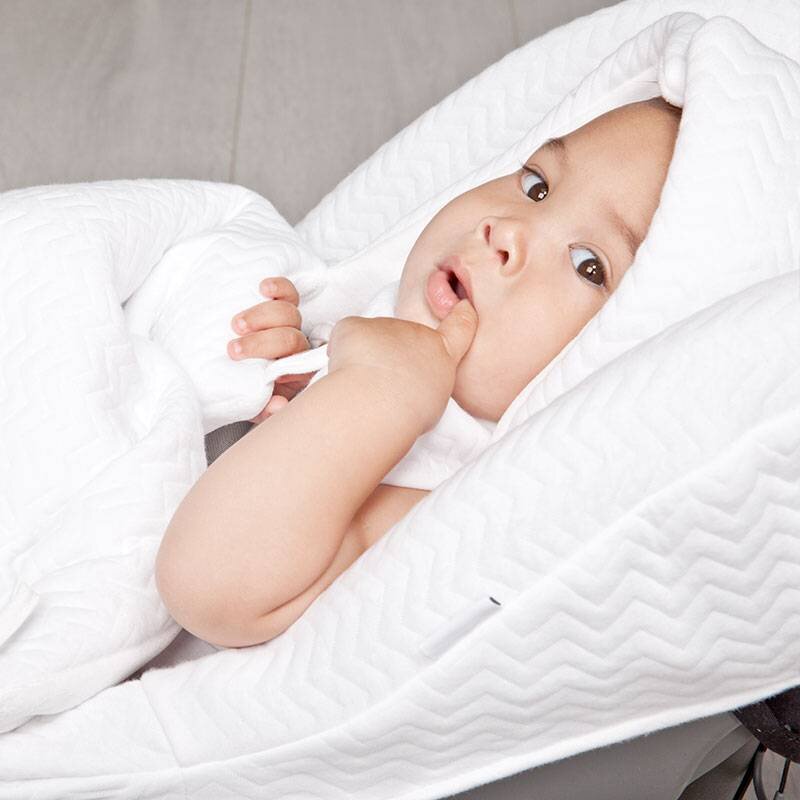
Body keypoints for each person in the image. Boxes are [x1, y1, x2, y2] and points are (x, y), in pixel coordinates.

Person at [155, 96, 681, 649]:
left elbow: (206, 581)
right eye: (537, 186)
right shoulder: (368, 318)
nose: (505, 231)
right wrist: (290, 365)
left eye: (588, 265)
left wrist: (377, 390)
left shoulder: (450, 500)